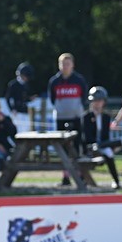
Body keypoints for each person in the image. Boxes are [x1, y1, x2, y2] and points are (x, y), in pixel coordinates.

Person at [47, 52, 87, 185]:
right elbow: (52, 98)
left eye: (67, 64)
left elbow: (84, 97)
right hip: (60, 117)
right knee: (62, 147)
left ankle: (80, 175)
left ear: (72, 65)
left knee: (77, 145)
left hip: (76, 117)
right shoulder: (54, 81)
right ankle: (65, 176)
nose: (65, 66)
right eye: (63, 64)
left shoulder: (79, 80)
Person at [81, 86, 122, 188]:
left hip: (102, 145)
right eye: (95, 100)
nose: (97, 103)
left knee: (109, 151)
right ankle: (82, 180)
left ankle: (116, 181)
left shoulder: (106, 117)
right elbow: (86, 137)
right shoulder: (86, 117)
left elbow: (106, 136)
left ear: (104, 102)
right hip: (90, 147)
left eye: (100, 100)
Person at [5, 62, 38, 132]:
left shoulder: (26, 85)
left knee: (27, 130)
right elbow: (8, 98)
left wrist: (29, 99)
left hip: (25, 111)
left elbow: (24, 98)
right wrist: (12, 109)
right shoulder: (13, 85)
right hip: (17, 112)